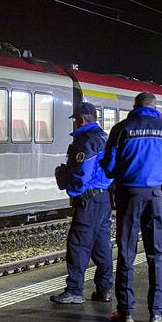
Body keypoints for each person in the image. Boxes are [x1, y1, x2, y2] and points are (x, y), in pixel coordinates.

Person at [101, 92, 162, 322]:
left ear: (135, 106)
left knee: (127, 252)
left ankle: (125, 311)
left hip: (128, 195)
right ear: (155, 107)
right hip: (157, 197)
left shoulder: (121, 130)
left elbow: (108, 167)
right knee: (155, 254)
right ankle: (157, 312)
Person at [51, 102, 114, 305]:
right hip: (104, 198)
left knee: (77, 245)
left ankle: (74, 290)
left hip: (88, 200)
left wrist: (72, 189)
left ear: (80, 120)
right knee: (101, 245)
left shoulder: (86, 140)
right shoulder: (105, 137)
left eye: (75, 120)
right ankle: (104, 290)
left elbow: (82, 173)